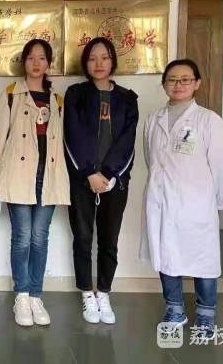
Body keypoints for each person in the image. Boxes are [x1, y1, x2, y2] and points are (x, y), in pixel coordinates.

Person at [141, 58, 223, 340]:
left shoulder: (208, 120)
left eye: (185, 79)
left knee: (203, 259)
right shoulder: (153, 120)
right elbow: (151, 158)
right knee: (166, 255)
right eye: (172, 79)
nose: (178, 84)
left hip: (196, 204)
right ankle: (174, 309)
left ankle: (206, 313)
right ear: (164, 85)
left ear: (197, 84)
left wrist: (213, 200)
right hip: (161, 200)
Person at [0, 39, 70, 327]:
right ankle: (21, 295)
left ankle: (36, 295)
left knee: (40, 238)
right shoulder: (12, 94)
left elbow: (60, 143)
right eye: (31, 57)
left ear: (48, 63)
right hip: (18, 174)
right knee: (22, 237)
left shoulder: (57, 99)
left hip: (47, 175)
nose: (36, 63)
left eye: (42, 58)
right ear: (23, 62)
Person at [64, 37, 139, 325]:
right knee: (82, 238)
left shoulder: (127, 99)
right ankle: (86, 292)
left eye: (104, 57)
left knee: (109, 240)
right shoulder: (76, 94)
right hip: (82, 180)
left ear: (112, 61)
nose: (98, 63)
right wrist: (89, 173)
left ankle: (104, 292)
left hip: (114, 182)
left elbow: (127, 142)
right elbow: (73, 135)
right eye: (92, 58)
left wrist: (108, 174)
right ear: (85, 62)